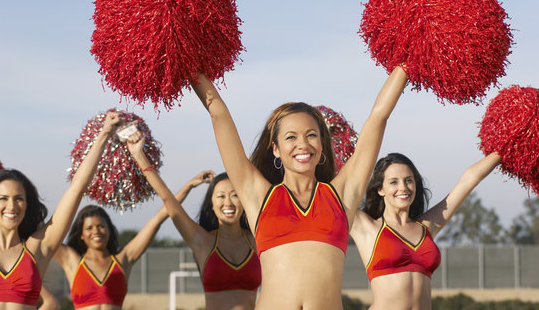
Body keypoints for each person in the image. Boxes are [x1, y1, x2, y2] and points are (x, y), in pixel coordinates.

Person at [190, 66, 407, 309]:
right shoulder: (258, 196)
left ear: (323, 145)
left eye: (311, 135)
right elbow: (218, 113)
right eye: (291, 137)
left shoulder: (342, 195)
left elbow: (379, 116)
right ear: (276, 149)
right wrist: (188, 62)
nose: (302, 144)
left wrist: (410, 61)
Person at [0, 111, 120, 310]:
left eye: (19, 199)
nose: (11, 206)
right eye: (3, 198)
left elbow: (77, 188)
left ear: (27, 204)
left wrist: (104, 134)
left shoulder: (38, 248)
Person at [350, 152, 502, 309]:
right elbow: (336, 189)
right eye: (393, 182)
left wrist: (506, 147)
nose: (403, 187)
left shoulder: (427, 226)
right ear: (380, 189)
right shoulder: (367, 228)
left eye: (408, 181)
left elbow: (468, 181)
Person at [127, 134, 261, 310]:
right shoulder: (202, 241)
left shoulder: (257, 239)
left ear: (244, 202)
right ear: (212, 205)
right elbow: (168, 200)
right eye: (221, 196)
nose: (228, 203)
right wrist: (139, 155)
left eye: (235, 195)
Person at [53, 170, 208, 310]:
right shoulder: (72, 261)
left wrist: (189, 186)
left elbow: (158, 218)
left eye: (101, 226)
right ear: (81, 234)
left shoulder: (123, 260)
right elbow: (44, 234)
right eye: (89, 228)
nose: (96, 232)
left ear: (109, 229)